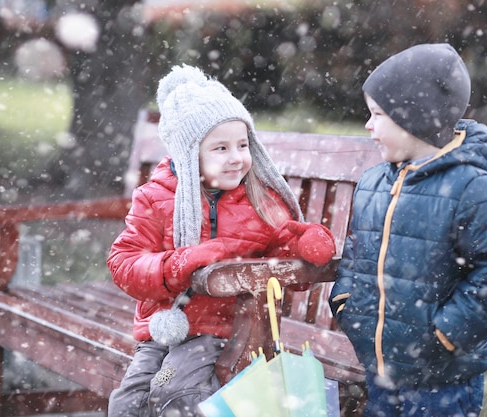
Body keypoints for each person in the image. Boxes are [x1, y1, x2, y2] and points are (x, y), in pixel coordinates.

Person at [107, 64, 336, 417]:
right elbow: (124, 263)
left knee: (171, 391)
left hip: (225, 331)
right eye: (221, 148)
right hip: (162, 332)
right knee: (130, 401)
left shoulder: (260, 201)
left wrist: (306, 242)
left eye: (243, 145)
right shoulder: (155, 198)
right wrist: (178, 265)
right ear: (189, 155)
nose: (236, 157)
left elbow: (283, 252)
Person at [328, 43, 487, 417]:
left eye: (377, 114)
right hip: (382, 370)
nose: (368, 125)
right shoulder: (372, 183)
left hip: (444, 380)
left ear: (413, 117)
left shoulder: (470, 186)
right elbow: (356, 256)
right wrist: (345, 303)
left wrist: (445, 334)